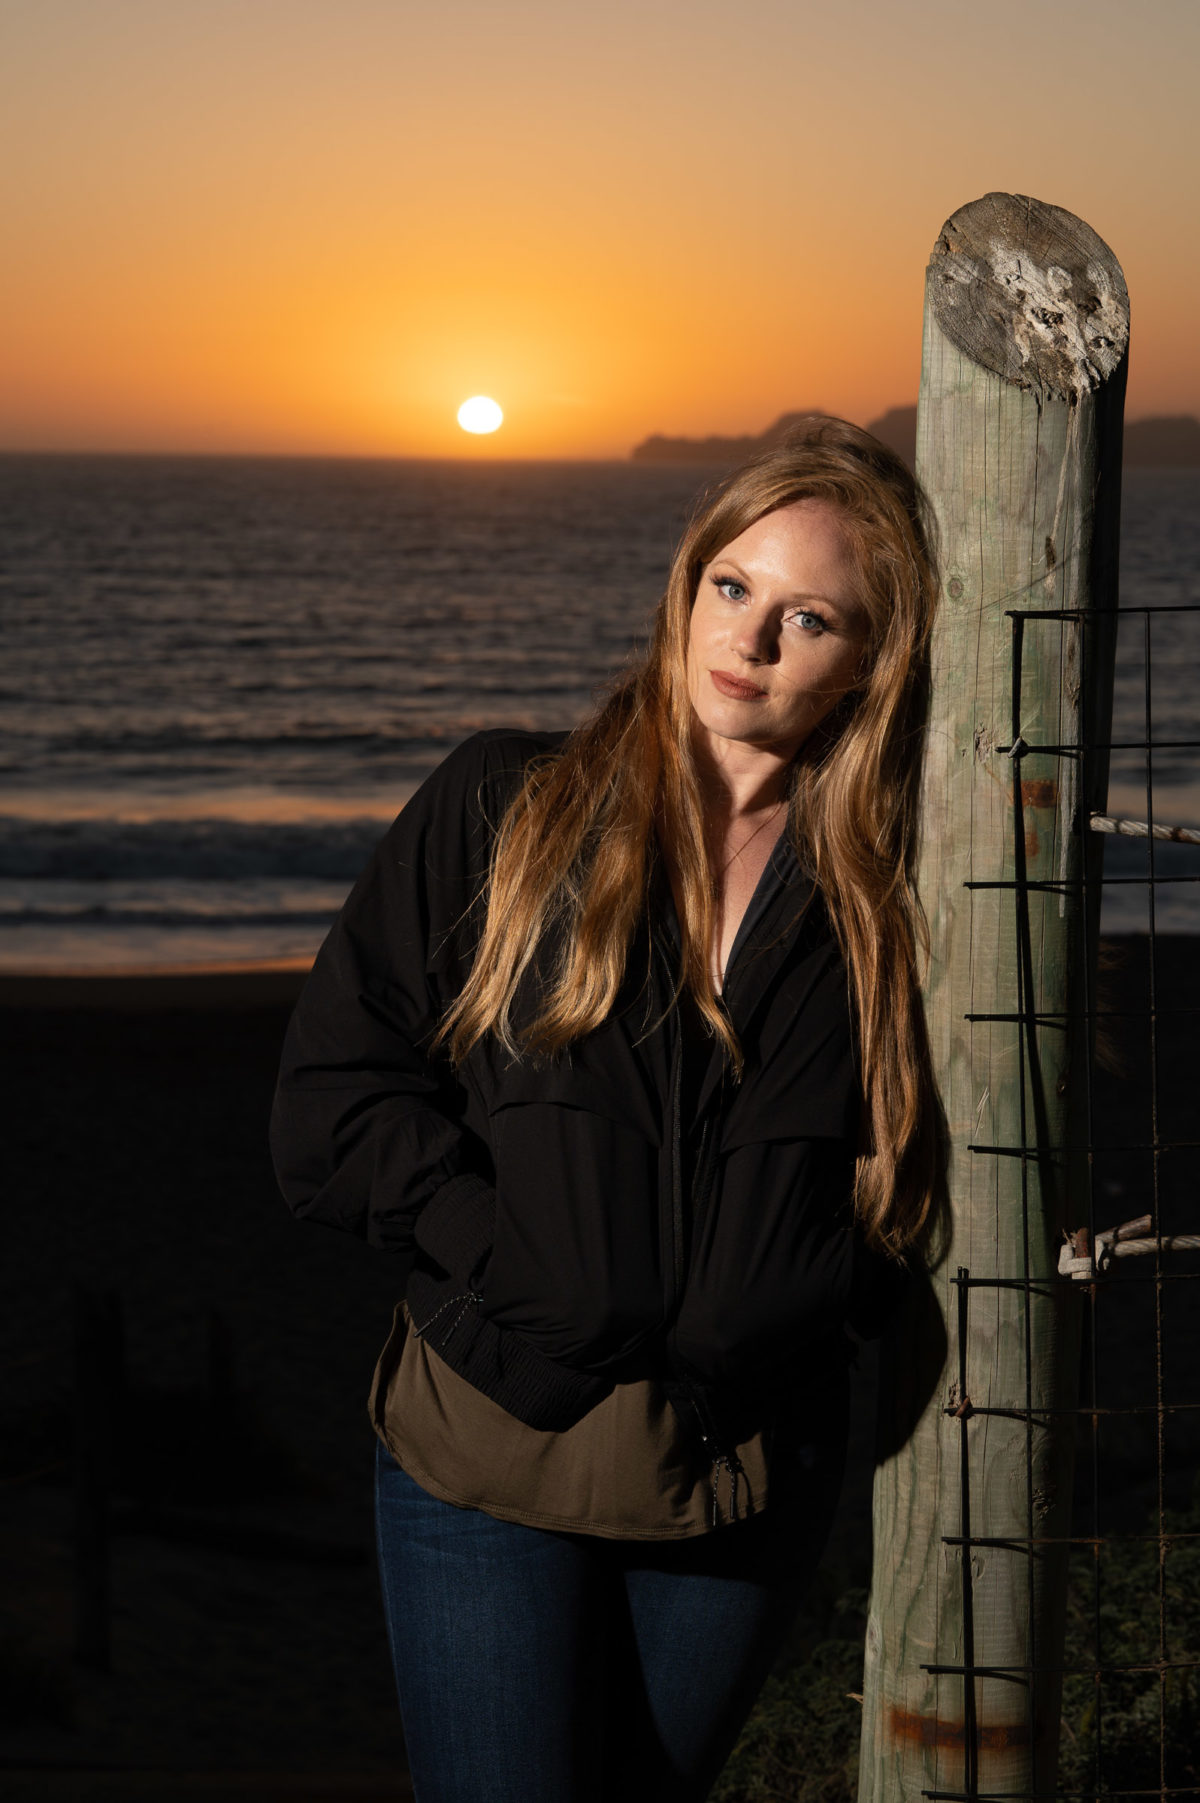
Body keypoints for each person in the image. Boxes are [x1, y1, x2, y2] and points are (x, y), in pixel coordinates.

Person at [270, 414, 942, 1803]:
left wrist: (814, 1303)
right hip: (488, 1458)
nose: (746, 642)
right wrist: (508, 1260)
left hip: (741, 1478)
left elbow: (914, 1158)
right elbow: (332, 1103)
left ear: (870, 660)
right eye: (731, 587)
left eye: (807, 616)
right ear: (689, 583)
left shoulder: (891, 895)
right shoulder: (506, 808)